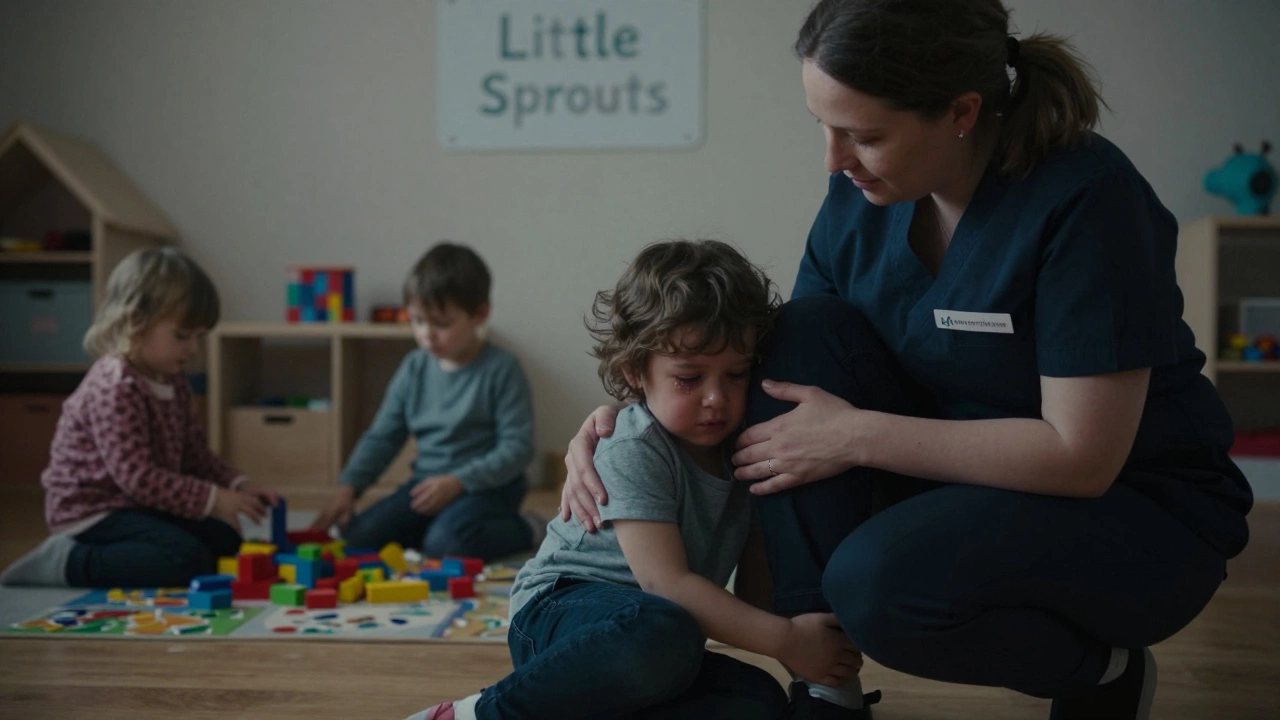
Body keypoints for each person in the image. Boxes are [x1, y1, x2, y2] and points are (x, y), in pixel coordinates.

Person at [560, 2, 1254, 719]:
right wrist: (627, 420)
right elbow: (767, 369)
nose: (833, 159)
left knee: (878, 587)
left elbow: (1083, 457)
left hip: (1129, 513)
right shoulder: (860, 198)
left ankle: (1100, 672)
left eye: (863, 135)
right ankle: (826, 687)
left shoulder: (1087, 200)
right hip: (950, 483)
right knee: (801, 333)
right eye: (823, 127)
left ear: (960, 111)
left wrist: (857, 434)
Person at [407, 239, 858, 720]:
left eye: (736, 374)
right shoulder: (634, 444)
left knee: (756, 700)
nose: (716, 399)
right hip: (559, 613)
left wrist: (805, 636)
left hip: (656, 637)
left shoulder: (745, 450)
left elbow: (751, 595)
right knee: (664, 629)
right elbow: (668, 585)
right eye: (689, 378)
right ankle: (479, 713)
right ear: (635, 371)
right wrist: (787, 641)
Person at [0, 248, 280, 588]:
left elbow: (195, 455)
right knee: (185, 559)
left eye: (198, 337)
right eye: (182, 336)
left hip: (140, 505)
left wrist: (238, 484)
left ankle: (128, 550)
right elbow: (138, 478)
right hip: (95, 512)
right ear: (136, 322)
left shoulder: (172, 379)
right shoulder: (115, 385)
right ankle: (66, 561)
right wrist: (212, 499)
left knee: (225, 540)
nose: (193, 349)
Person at [311, 242, 540, 561]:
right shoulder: (414, 368)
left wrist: (459, 481)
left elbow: (518, 447)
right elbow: (383, 436)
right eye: (417, 320)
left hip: (487, 488)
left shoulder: (502, 368)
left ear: (480, 314)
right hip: (426, 486)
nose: (427, 334)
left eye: (441, 324)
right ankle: (434, 528)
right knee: (356, 539)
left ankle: (526, 528)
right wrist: (349, 488)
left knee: (447, 545)